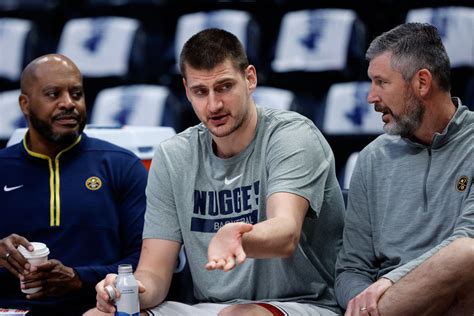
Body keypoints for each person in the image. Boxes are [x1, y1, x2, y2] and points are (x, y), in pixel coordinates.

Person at [92, 28, 345, 316]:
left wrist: (239, 238)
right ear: (187, 90)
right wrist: (126, 290)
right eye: (201, 92)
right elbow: (155, 275)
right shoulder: (174, 155)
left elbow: (285, 234)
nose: (213, 105)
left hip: (301, 303)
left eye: (224, 87)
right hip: (210, 308)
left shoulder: (291, 136)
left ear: (250, 78)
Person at [335, 22, 474, 315]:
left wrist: (391, 281)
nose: (371, 97)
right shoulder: (371, 158)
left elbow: (468, 240)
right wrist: (367, 301)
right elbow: (350, 269)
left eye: (381, 82)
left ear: (422, 82)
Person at [0, 54, 147, 315]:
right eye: (53, 94)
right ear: (25, 104)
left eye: (76, 93)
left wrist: (79, 279)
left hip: (97, 309)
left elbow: (145, 262)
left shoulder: (122, 165)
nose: (68, 103)